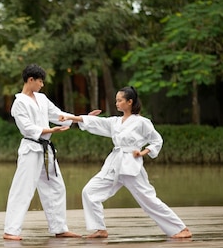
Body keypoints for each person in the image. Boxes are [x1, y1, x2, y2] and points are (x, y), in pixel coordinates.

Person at [59, 86, 192, 239]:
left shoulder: (142, 122)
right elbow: (95, 122)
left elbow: (157, 140)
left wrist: (143, 152)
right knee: (90, 192)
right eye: (116, 100)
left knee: (148, 200)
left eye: (120, 100)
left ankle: (181, 228)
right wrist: (70, 118)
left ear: (130, 102)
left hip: (131, 165)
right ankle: (99, 229)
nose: (117, 103)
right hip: (115, 164)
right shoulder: (115, 122)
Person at [3, 64, 101, 241]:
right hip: (31, 148)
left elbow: (58, 115)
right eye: (40, 81)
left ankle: (59, 228)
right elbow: (27, 128)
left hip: (46, 149)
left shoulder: (41, 99)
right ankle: (11, 230)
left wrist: (82, 118)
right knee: (23, 189)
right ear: (30, 80)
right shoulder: (19, 103)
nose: (42, 85)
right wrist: (50, 131)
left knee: (56, 187)